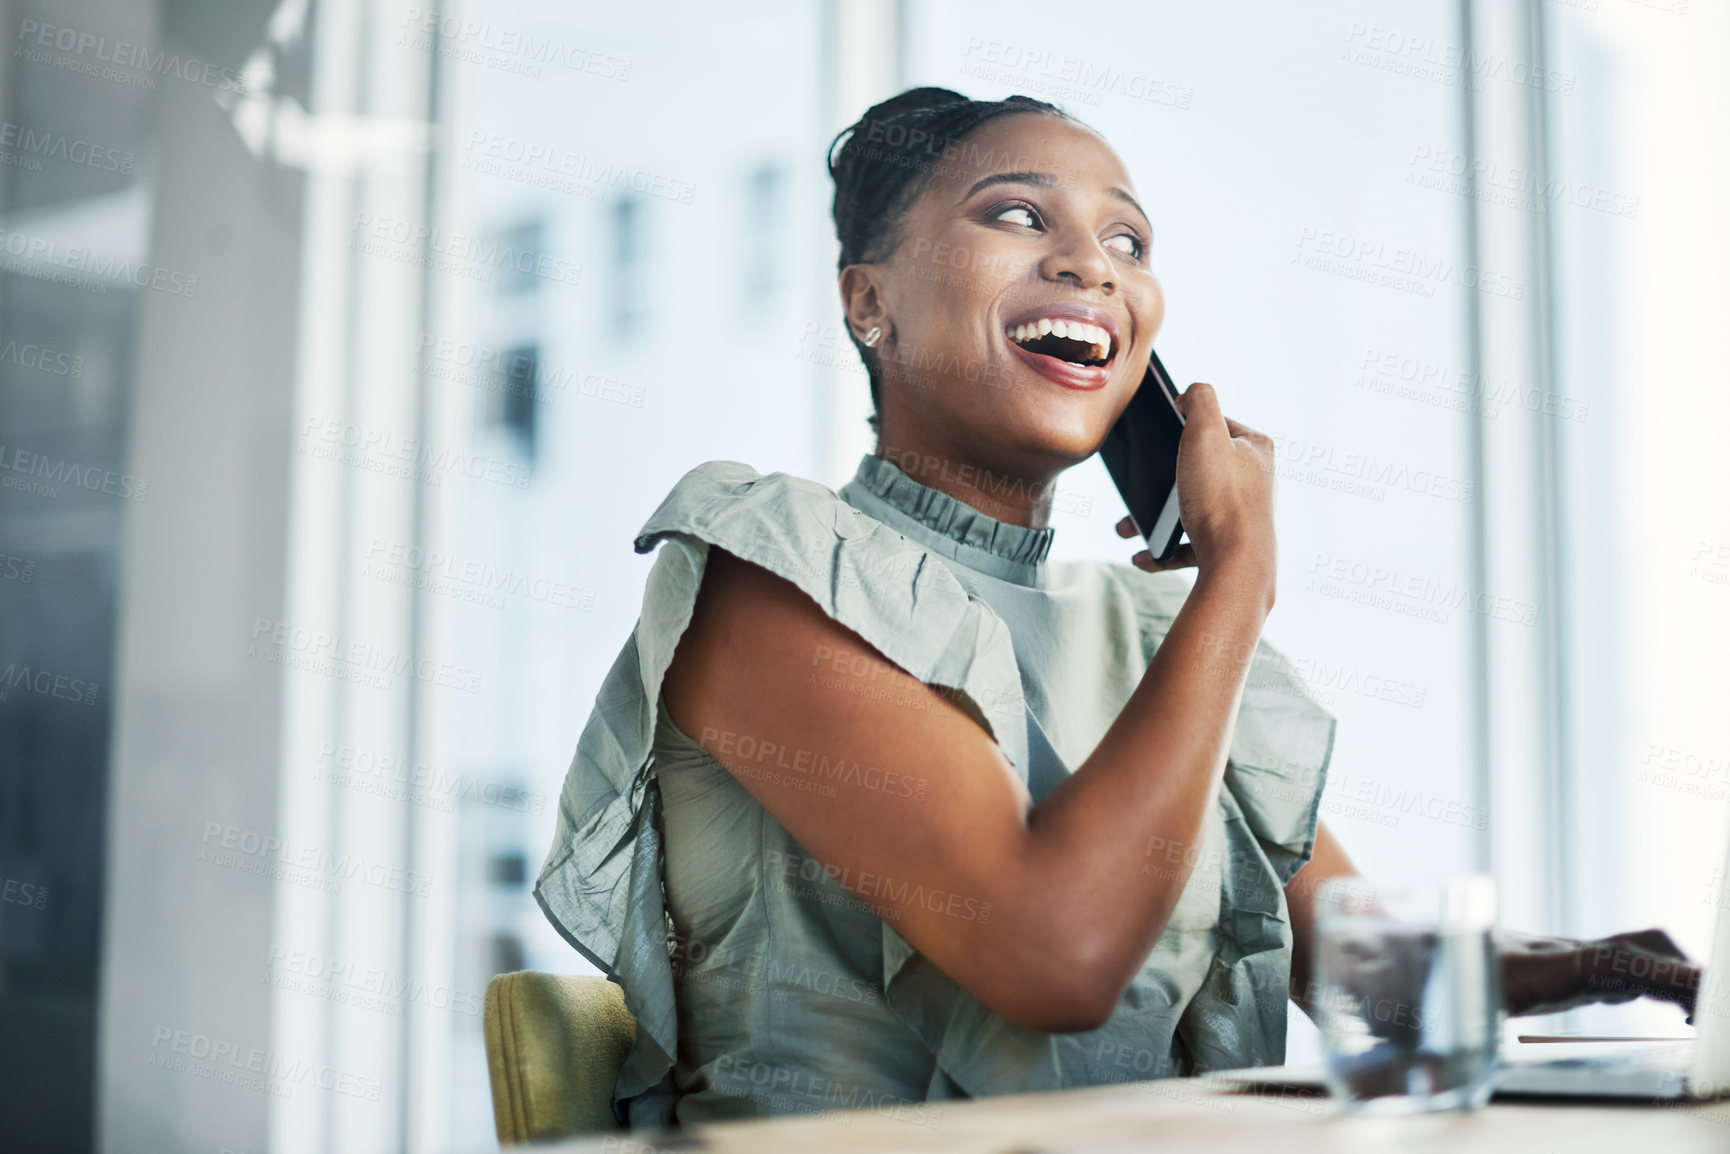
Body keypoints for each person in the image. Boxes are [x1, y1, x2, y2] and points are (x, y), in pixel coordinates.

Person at [533, 87, 1699, 1129]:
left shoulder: (1146, 635)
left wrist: (1618, 962)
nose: (1090, 265)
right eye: (1017, 216)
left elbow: (1364, 972)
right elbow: (1055, 958)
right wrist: (1237, 576)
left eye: (1125, 239)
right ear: (868, 299)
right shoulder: (770, 567)